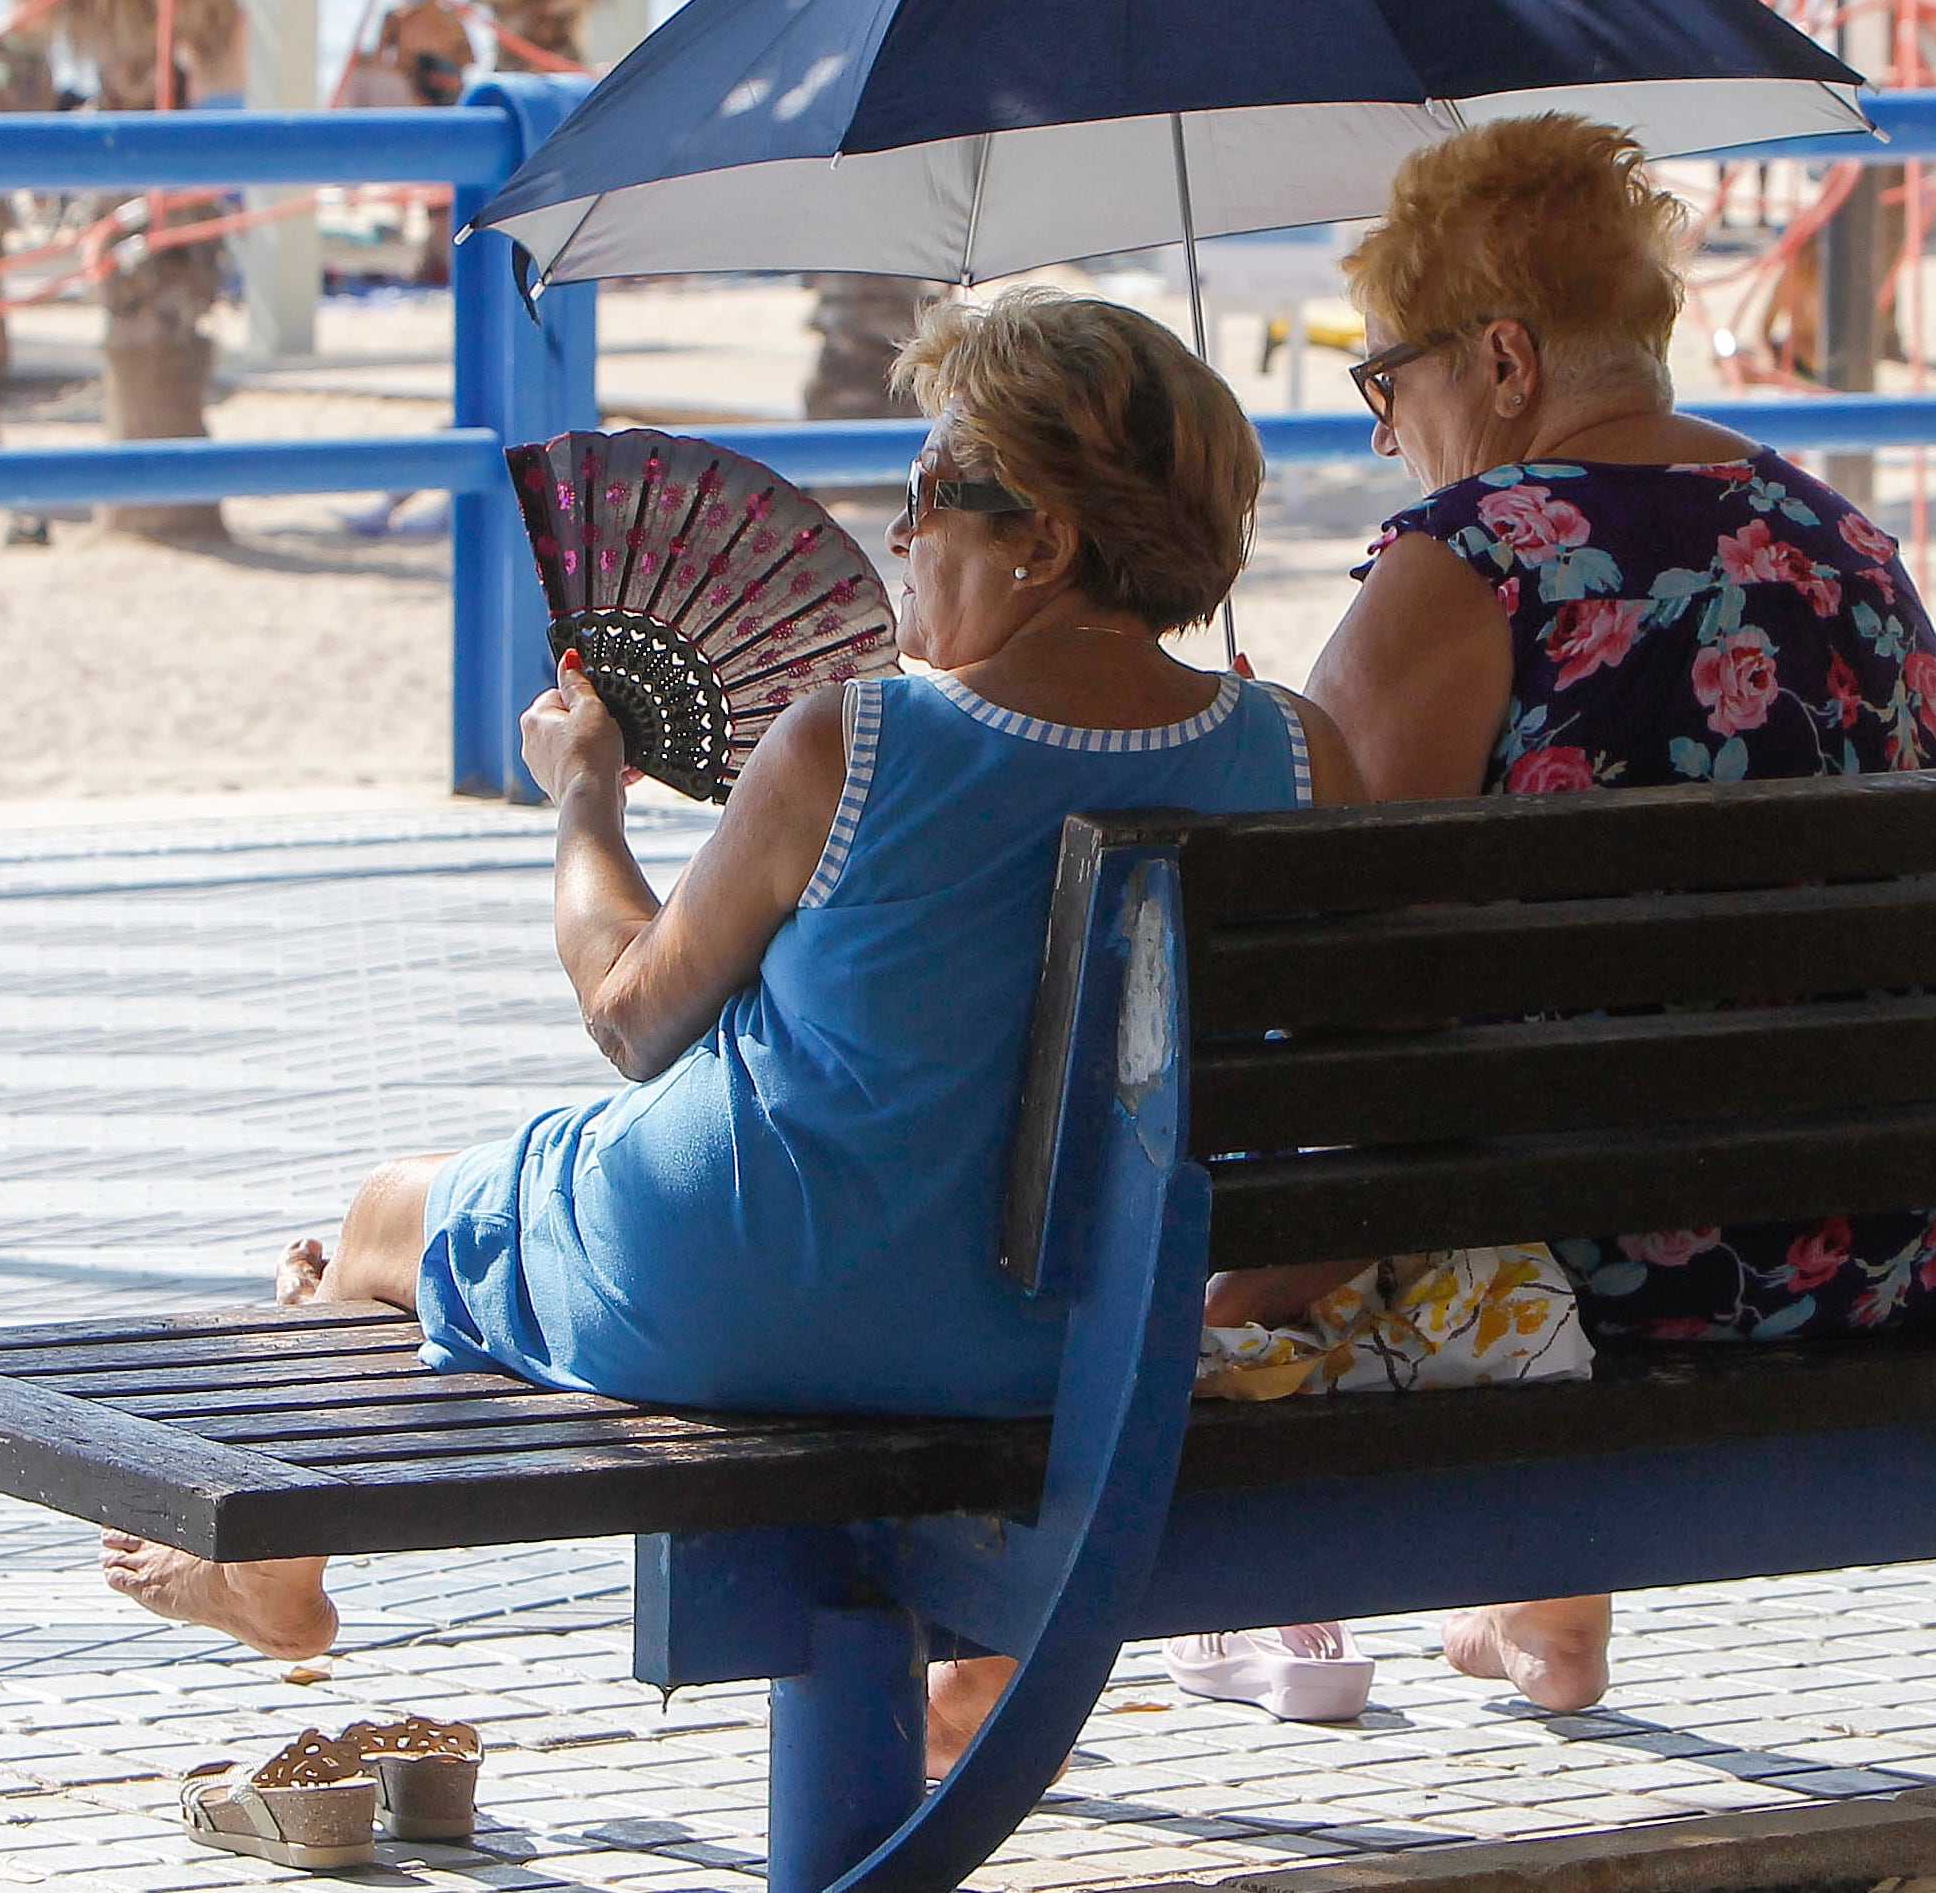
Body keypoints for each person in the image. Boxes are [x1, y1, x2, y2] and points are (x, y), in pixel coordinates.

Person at [98, 291, 1365, 1713]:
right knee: (450, 1228)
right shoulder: (1295, 753)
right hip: (1067, 1334)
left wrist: (582, 798)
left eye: (933, 495)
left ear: (1047, 543)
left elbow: (636, 1019)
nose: (900, 533)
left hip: (742, 1287)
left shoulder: (861, 734)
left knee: (395, 1211)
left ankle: (279, 1547)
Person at [1246, 114, 1936, 1717]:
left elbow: (1331, 980)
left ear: (1505, 359)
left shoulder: (1469, 566)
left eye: (1390, 382)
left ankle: (1035, 1661)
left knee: (1350, 1126)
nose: (1389, 433)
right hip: (1903, 1229)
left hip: (1612, 1262)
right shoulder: (1839, 537)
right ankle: (1545, 1599)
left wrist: (1274, 766)